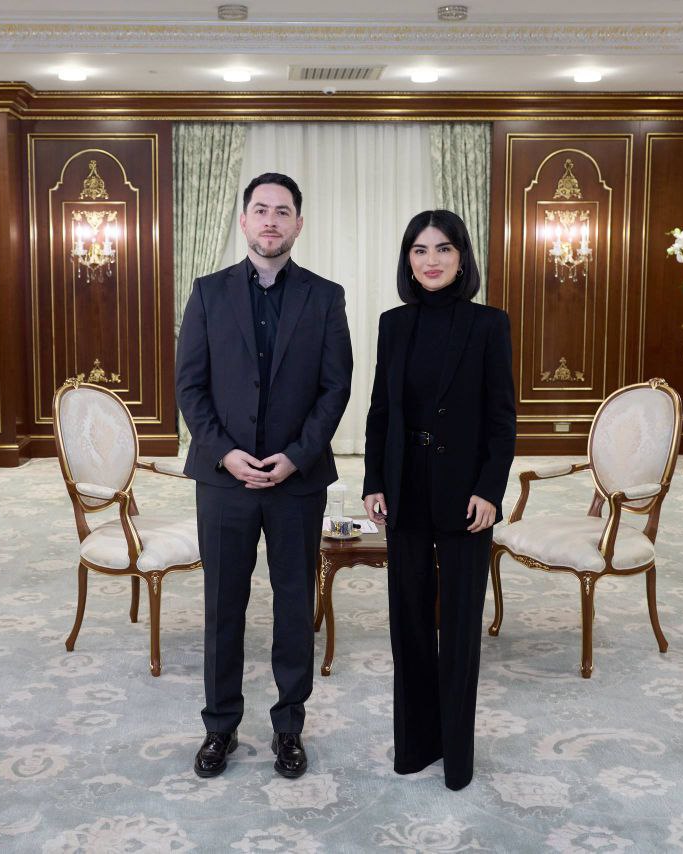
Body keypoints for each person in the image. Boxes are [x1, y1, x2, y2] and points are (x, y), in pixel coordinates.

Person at [176, 172, 353, 780]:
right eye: (260, 209)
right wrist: (225, 453)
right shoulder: (207, 293)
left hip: (296, 481)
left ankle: (289, 727)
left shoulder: (325, 297)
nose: (270, 220)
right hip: (223, 479)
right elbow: (190, 387)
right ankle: (219, 726)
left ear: (298, 224)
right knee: (223, 605)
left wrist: (297, 456)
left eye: (282, 211)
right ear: (244, 221)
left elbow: (335, 389)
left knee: (293, 605)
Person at [362, 209, 516, 791]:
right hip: (405, 489)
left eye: (443, 249)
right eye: (420, 250)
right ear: (408, 260)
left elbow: (502, 419)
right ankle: (416, 746)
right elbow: (380, 411)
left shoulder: (489, 324)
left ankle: (456, 756)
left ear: (461, 257)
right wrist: (374, 480)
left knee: (459, 629)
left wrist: (490, 490)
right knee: (408, 624)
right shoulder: (393, 324)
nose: (432, 260)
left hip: (466, 496)